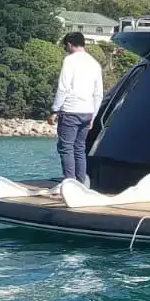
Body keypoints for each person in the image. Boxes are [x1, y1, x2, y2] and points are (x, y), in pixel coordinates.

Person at [50, 31, 106, 186]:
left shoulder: (69, 61)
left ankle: (69, 182)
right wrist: (93, 116)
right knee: (80, 148)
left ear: (69, 44)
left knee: (66, 147)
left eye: (65, 46)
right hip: (87, 111)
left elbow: (63, 88)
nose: (65, 49)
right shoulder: (94, 63)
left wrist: (54, 110)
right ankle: (81, 183)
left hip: (70, 110)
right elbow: (98, 94)